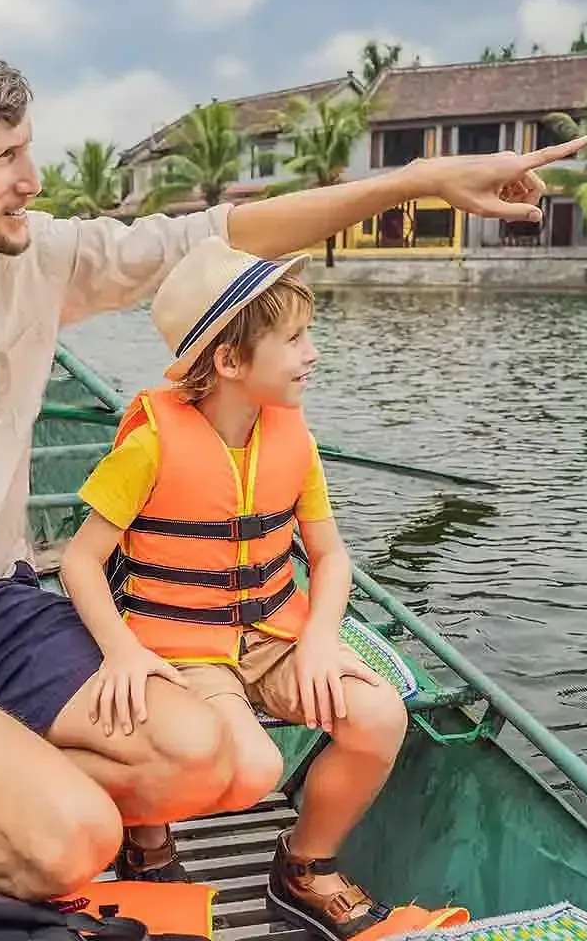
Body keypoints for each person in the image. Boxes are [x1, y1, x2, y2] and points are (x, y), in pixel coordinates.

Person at [0, 36, 587, 903]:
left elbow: (231, 229)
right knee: (78, 845)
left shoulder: (41, 261)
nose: (29, 183)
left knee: (209, 754)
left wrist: (424, 178)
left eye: (27, 150)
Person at [57, 236, 411, 938]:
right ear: (229, 361)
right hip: (183, 647)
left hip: (277, 635)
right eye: (295, 338)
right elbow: (78, 561)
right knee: (243, 761)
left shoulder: (294, 439)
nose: (312, 353)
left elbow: (330, 556)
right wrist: (123, 653)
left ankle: (303, 866)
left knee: (379, 717)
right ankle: (147, 838)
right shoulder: (150, 444)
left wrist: (319, 642)